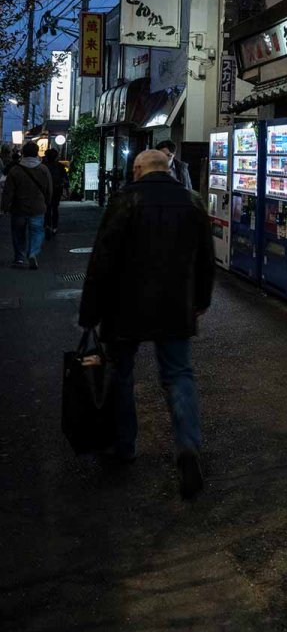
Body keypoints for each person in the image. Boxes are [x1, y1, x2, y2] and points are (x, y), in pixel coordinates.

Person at [78, 149, 214, 498]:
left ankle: (125, 445)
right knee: (179, 374)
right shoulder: (192, 200)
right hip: (175, 305)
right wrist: (201, 300)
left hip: (125, 306)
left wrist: (90, 313)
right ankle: (188, 448)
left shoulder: (125, 199)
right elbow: (206, 257)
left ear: (138, 169)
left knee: (121, 374)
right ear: (167, 169)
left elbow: (102, 259)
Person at [0, 140, 53, 269]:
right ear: (36, 153)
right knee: (36, 232)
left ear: (23, 153)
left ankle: (19, 258)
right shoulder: (43, 169)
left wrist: (4, 206)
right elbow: (49, 189)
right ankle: (33, 253)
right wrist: (47, 202)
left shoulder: (15, 170)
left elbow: (8, 191)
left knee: (18, 233)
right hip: (38, 207)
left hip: (18, 208)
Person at [42, 147, 69, 237]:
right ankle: (54, 226)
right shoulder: (60, 166)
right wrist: (66, 189)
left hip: (46, 190)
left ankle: (47, 225)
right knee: (55, 208)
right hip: (57, 189)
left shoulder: (43, 166)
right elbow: (65, 178)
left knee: (47, 208)